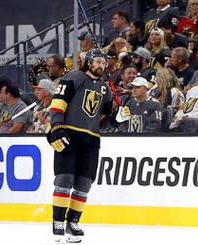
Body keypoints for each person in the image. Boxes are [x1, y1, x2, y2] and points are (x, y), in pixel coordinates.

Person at [48, 49, 114, 243]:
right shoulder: (74, 77)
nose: (101, 65)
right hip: (70, 134)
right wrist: (57, 126)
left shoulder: (106, 88)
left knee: (84, 183)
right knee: (65, 178)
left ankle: (73, 222)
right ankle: (58, 220)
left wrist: (117, 119)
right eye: (97, 62)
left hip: (92, 140)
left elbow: (103, 119)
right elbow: (58, 103)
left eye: (103, 62)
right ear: (88, 62)